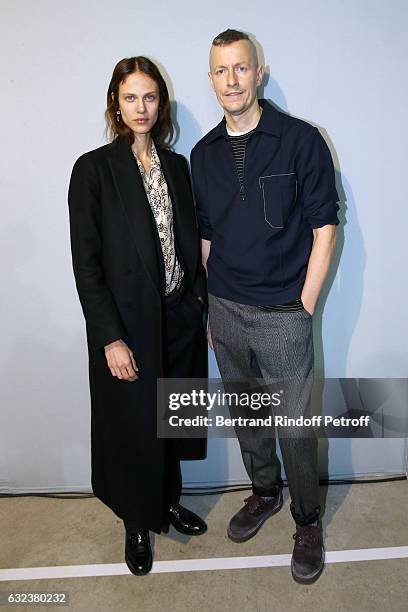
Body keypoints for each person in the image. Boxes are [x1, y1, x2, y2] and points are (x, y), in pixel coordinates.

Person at [190, 30, 339, 584]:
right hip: (226, 309)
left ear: (260, 73)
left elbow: (325, 226)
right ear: (211, 80)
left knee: (295, 428)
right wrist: (209, 308)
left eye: (241, 68)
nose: (231, 80)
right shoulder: (203, 155)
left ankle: (307, 520)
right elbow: (206, 237)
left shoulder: (301, 140)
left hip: (283, 312)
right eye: (220, 71)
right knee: (249, 416)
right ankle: (264, 493)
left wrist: (304, 305)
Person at [68, 56, 208, 576]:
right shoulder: (93, 170)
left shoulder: (177, 166)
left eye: (150, 97)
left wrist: (197, 303)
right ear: (116, 103)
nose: (141, 107)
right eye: (131, 97)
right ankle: (135, 520)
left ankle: (166, 500)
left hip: (177, 317)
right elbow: (87, 265)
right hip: (127, 325)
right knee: (131, 426)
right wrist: (110, 338)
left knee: (170, 418)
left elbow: (190, 242)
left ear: (161, 103)